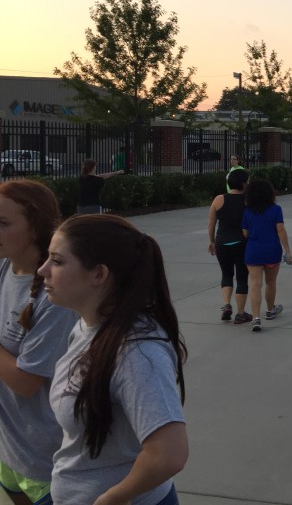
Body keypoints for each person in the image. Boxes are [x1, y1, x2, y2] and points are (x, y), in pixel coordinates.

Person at [39, 214, 188, 505]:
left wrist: (114, 497)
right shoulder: (89, 326)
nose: (42, 269)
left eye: (57, 261)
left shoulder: (136, 352)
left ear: (98, 274)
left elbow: (169, 453)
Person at [0, 181, 78, 505]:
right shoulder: (5, 265)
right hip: (8, 447)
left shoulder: (54, 296)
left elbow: (26, 382)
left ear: (35, 227)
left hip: (43, 457)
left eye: (3, 223)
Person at [242, 179, 292, 332]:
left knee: (255, 284)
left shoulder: (247, 211)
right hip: (272, 250)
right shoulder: (276, 210)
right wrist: (287, 250)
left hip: (253, 251)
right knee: (270, 282)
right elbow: (280, 230)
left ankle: (256, 318)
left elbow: (245, 233)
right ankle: (270, 310)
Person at [208, 167, 251, 324]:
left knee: (226, 274)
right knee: (241, 277)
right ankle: (241, 313)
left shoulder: (219, 199)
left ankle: (227, 304)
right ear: (243, 183)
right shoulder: (248, 201)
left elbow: (211, 224)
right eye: (248, 180)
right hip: (241, 242)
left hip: (222, 242)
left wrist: (212, 241)